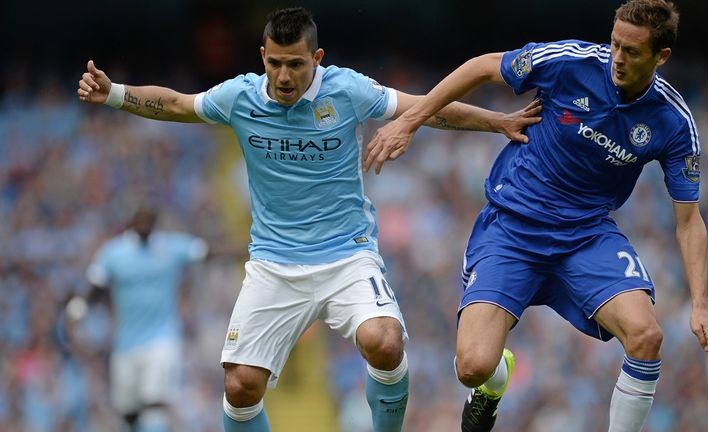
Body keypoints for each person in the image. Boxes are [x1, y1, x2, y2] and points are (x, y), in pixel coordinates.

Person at [77, 7, 541, 432]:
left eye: (295, 64)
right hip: (274, 265)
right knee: (240, 386)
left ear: (316, 58)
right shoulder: (239, 97)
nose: (282, 76)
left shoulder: (347, 90)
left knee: (385, 340)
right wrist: (114, 93)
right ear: (262, 56)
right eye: (274, 63)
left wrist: (495, 121)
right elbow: (179, 103)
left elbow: (423, 107)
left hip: (347, 256)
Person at [363, 0, 708, 431]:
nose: (617, 59)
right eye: (615, 44)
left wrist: (700, 304)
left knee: (647, 337)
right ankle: (495, 383)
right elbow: (482, 66)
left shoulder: (673, 121)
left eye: (632, 51)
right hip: (513, 227)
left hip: (586, 236)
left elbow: (689, 220)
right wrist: (413, 121)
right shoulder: (571, 63)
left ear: (660, 56)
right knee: (473, 367)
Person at [67, 207, 209, 432]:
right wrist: (79, 308)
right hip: (126, 343)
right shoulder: (113, 252)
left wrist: (258, 251)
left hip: (162, 339)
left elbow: (206, 251)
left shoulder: (169, 247)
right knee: (128, 413)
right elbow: (95, 285)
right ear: (131, 222)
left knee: (154, 404)